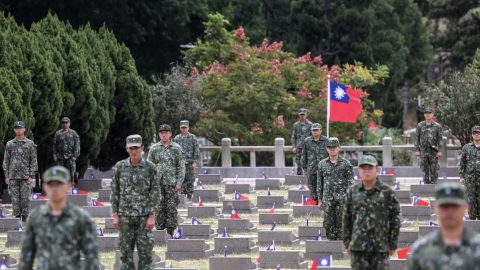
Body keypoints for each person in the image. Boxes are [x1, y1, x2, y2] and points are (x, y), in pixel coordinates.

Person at [19, 166, 99, 270]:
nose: (55, 189)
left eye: (59, 184)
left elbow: (91, 257)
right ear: (44, 187)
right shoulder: (36, 218)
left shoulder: (81, 218)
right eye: (51, 185)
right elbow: (26, 257)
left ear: (69, 185)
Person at [111, 135, 160, 269]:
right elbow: (115, 192)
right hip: (125, 217)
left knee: (146, 254)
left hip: (144, 218)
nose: (134, 151)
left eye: (136, 148)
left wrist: (152, 215)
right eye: (131, 148)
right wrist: (115, 215)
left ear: (142, 148)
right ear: (127, 149)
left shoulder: (150, 167)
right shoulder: (119, 167)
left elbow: (155, 192)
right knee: (125, 255)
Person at [343, 155, 400, 270]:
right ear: (359, 171)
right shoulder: (352, 192)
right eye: (363, 168)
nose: (367, 171)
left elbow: (395, 218)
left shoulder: (387, 192)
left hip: (381, 247)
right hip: (358, 247)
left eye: (370, 168)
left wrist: (392, 243)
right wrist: (347, 242)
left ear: (377, 170)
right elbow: (346, 218)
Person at [408, 182, 480, 269]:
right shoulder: (420, 251)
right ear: (436, 208)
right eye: (444, 206)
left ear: (465, 207)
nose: (449, 211)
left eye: (454, 206)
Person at [147, 124, 185, 237]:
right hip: (157, 183)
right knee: (159, 207)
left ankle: (170, 231)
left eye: (166, 132)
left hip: (172, 183)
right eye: (161, 133)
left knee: (171, 207)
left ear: (170, 134)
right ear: (159, 134)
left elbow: (181, 166)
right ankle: (160, 232)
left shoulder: (176, 148)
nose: (164, 135)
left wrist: (179, 182)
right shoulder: (154, 148)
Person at [317, 137, 354, 240]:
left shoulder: (346, 164)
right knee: (328, 222)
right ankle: (331, 244)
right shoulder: (322, 164)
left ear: (339, 148)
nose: (332, 149)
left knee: (341, 221)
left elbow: (351, 183)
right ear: (326, 149)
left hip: (342, 198)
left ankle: (341, 245)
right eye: (329, 147)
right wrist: (319, 200)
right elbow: (320, 183)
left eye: (334, 147)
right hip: (327, 198)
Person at [3, 121, 38, 222]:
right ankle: (17, 221)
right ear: (14, 130)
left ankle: (25, 220)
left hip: (25, 177)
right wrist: (7, 176)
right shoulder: (9, 144)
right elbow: (6, 161)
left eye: (20, 128)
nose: (18, 130)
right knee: (15, 200)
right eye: (17, 128)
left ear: (24, 129)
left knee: (26, 199)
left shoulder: (29, 144)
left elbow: (34, 160)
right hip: (13, 176)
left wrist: (31, 175)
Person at [415, 106, 443, 184]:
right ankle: (426, 189)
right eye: (426, 113)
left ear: (432, 114)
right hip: (423, 152)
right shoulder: (420, 125)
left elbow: (440, 140)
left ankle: (434, 189)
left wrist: (439, 151)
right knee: (425, 171)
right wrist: (417, 150)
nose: (427, 114)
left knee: (434, 171)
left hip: (434, 152)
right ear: (424, 115)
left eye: (429, 113)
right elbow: (417, 138)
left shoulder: (437, 126)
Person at [301, 123, 328, 202]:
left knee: (324, 187)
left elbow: (331, 154)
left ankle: (323, 204)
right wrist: (304, 169)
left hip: (324, 169)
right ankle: (315, 205)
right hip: (311, 169)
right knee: (312, 188)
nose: (315, 132)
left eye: (317, 130)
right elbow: (304, 156)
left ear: (321, 130)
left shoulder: (326, 140)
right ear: (311, 131)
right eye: (313, 130)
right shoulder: (307, 141)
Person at [173, 120, 200, 200]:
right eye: (182, 128)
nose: (184, 129)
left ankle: (189, 197)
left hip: (190, 163)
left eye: (185, 127)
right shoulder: (177, 138)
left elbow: (196, 150)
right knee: (181, 180)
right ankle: (182, 198)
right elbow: (174, 150)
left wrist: (195, 161)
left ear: (188, 128)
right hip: (180, 163)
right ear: (180, 128)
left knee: (190, 180)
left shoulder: (193, 137)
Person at [459, 125, 480, 220]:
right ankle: (472, 219)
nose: (476, 135)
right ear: (472, 135)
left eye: (478, 133)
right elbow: (462, 163)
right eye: (474, 133)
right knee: (470, 200)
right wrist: (462, 176)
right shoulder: (466, 148)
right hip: (470, 179)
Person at [53, 117, 80, 184]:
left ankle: (71, 186)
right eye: (63, 123)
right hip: (60, 156)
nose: (65, 124)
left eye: (66, 123)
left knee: (71, 172)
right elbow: (55, 144)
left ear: (69, 124)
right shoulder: (58, 133)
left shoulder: (73, 133)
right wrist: (54, 155)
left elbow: (77, 144)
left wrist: (75, 155)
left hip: (70, 156)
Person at [291, 108, 312, 175]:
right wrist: (294, 147)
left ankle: (308, 178)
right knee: (299, 163)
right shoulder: (296, 125)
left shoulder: (310, 124)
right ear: (299, 115)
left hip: (308, 146)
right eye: (301, 115)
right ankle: (299, 179)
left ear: (306, 115)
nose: (302, 116)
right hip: (299, 147)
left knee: (308, 162)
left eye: (303, 114)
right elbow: (293, 136)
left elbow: (313, 136)